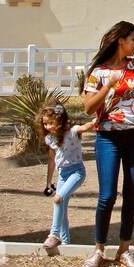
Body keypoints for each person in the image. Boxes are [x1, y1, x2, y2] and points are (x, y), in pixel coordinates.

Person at [81, 20, 134, 267]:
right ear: (121, 40)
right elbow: (88, 107)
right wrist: (109, 86)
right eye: (133, 39)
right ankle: (99, 249)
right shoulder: (98, 72)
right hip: (107, 137)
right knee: (107, 195)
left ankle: (124, 249)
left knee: (131, 194)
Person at [38, 103, 93, 252]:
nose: (48, 126)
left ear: (60, 121)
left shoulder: (72, 132)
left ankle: (54, 235)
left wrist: (96, 121)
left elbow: (85, 127)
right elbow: (51, 160)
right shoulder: (50, 139)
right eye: (45, 123)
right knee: (61, 206)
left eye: (51, 123)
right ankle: (66, 243)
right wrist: (49, 182)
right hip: (63, 174)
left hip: (77, 172)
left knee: (58, 199)